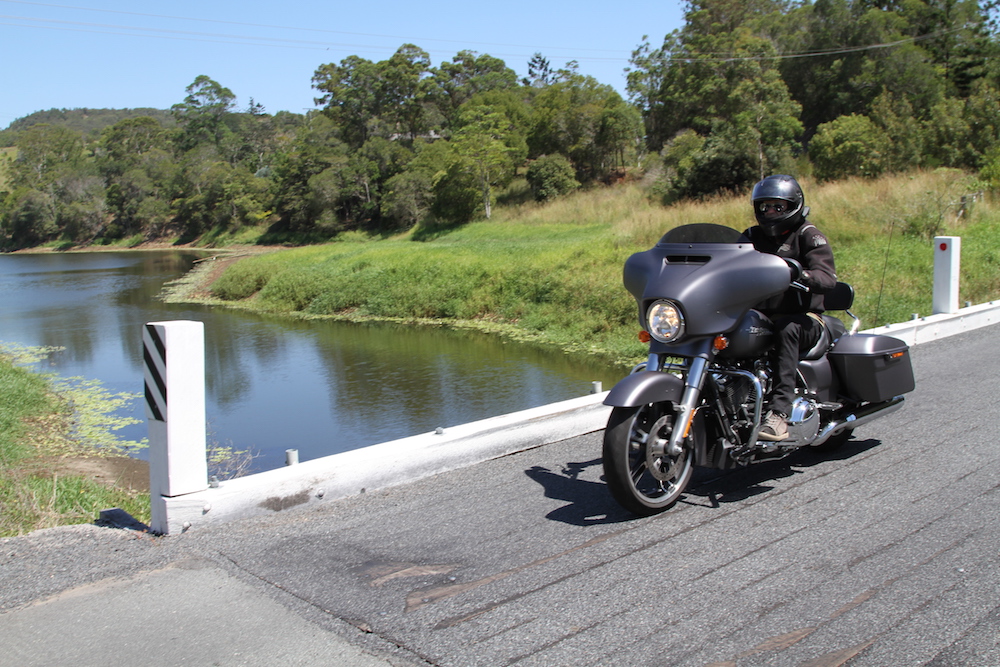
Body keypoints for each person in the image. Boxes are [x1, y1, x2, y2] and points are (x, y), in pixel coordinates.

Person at [741, 175, 837, 441]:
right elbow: (728, 260)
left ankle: (779, 415)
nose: (770, 212)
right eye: (765, 207)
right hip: (761, 317)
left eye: (778, 207)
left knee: (786, 328)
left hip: (803, 318)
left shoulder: (808, 235)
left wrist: (801, 275)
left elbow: (828, 278)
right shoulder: (751, 236)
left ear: (793, 206)